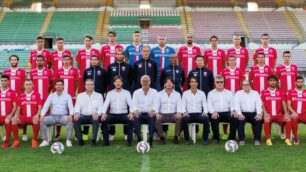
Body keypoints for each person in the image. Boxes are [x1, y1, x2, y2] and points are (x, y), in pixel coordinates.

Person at [101, 76, 134, 146]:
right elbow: (105, 104)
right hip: (112, 115)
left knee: (131, 120)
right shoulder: (110, 93)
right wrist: (103, 113)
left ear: (122, 83)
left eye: (119, 82)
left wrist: (131, 113)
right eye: (116, 82)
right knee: (103, 120)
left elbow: (131, 104)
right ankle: (106, 142)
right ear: (114, 83)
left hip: (124, 115)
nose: (118, 83)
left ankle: (129, 141)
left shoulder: (127, 93)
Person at [39, 79, 74, 147]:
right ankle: (45, 140)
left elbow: (71, 107)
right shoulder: (51, 96)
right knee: (42, 121)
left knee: (70, 120)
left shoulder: (67, 96)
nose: (59, 86)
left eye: (61, 85)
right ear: (55, 86)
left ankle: (68, 140)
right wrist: (42, 115)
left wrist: (71, 115)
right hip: (53, 117)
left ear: (63, 86)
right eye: (57, 85)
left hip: (63, 116)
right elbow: (46, 106)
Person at [261, 74, 292, 146]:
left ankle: (287, 139)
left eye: (274, 81)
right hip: (269, 115)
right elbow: (262, 103)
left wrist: (286, 113)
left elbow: (284, 103)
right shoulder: (264, 92)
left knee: (288, 119)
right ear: (268, 82)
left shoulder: (280, 92)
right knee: (266, 119)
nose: (272, 82)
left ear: (276, 82)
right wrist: (265, 113)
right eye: (271, 81)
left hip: (278, 115)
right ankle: (268, 139)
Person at [53, 54, 79, 140]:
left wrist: (72, 92)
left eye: (68, 59)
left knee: (73, 115)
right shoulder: (59, 70)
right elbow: (56, 83)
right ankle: (58, 134)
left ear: (70, 60)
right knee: (59, 113)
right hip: (60, 97)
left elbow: (76, 83)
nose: (66, 61)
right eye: (65, 60)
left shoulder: (74, 70)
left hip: (72, 97)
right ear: (63, 61)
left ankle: (76, 134)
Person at [11, 79, 42, 148]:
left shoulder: (37, 94)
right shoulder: (21, 95)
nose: (28, 86)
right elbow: (18, 108)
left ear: (33, 85)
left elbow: (40, 107)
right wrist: (16, 115)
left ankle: (34, 140)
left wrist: (37, 115)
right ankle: (16, 141)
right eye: (27, 84)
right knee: (13, 120)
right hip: (24, 116)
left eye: (30, 84)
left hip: (33, 116)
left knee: (35, 120)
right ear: (24, 86)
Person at [3, 55, 27, 141]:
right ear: (10, 61)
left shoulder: (22, 71)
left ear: (17, 61)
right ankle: (7, 134)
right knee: (8, 114)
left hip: (20, 96)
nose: (13, 61)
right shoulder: (6, 71)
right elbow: (4, 84)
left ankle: (24, 133)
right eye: (12, 60)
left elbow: (25, 84)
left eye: (15, 60)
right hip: (9, 96)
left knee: (22, 114)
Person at [207, 75, 238, 143]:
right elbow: (209, 105)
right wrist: (213, 112)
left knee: (234, 117)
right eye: (217, 82)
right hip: (216, 112)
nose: (219, 83)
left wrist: (233, 111)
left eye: (221, 82)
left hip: (226, 112)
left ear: (224, 82)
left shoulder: (229, 93)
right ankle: (216, 138)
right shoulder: (210, 93)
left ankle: (231, 138)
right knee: (214, 117)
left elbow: (232, 104)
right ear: (214, 83)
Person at [74, 79, 103, 146]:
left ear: (94, 86)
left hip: (93, 115)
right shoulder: (80, 96)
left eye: (91, 85)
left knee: (96, 119)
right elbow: (77, 107)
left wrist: (97, 113)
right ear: (85, 86)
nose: (89, 86)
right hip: (83, 116)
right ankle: (80, 140)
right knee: (76, 119)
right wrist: (77, 113)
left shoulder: (99, 95)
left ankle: (94, 140)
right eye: (87, 85)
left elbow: (100, 108)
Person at [181, 76, 209, 145]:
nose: (193, 83)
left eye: (195, 82)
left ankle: (204, 139)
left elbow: (205, 105)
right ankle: (187, 139)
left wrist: (205, 112)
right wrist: (184, 112)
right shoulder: (185, 93)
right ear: (189, 83)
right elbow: (183, 105)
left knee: (206, 118)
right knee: (184, 119)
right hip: (189, 114)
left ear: (197, 83)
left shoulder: (202, 93)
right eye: (192, 82)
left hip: (199, 114)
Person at [234, 80, 263, 145]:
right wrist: (239, 114)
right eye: (244, 85)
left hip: (253, 113)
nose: (246, 86)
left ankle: (257, 139)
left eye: (247, 84)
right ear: (242, 86)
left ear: (250, 85)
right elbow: (236, 104)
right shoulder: (238, 93)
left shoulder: (255, 93)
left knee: (259, 120)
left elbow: (259, 104)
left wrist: (258, 114)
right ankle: (242, 139)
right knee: (240, 121)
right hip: (243, 113)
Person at [133, 75, 158, 146]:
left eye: (147, 81)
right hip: (140, 114)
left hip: (149, 113)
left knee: (152, 117)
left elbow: (156, 103)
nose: (145, 82)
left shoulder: (154, 92)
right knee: (136, 117)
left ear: (150, 82)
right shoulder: (136, 92)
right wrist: (136, 110)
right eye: (143, 81)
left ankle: (150, 138)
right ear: (141, 82)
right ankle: (139, 138)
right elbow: (134, 104)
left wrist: (153, 110)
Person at [155, 78, 182, 144]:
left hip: (173, 114)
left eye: (171, 82)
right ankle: (161, 137)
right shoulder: (159, 94)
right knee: (156, 119)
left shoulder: (177, 94)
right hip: (163, 114)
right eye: (167, 82)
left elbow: (179, 105)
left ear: (173, 84)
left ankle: (176, 137)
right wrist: (157, 113)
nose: (169, 84)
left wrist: (178, 113)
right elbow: (157, 105)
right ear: (165, 84)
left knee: (180, 118)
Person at [287, 75, 306, 145]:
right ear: (295, 82)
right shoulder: (290, 92)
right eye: (298, 82)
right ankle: (296, 137)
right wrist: (293, 112)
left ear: (303, 83)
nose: (300, 83)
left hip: (303, 114)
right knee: (294, 119)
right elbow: (288, 105)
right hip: (294, 113)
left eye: (301, 82)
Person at [0, 75, 17, 148]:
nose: (3, 82)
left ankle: (6, 142)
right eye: (2, 81)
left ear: (8, 82)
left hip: (8, 115)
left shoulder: (12, 92)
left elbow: (15, 106)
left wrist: (10, 115)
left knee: (7, 120)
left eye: (5, 81)